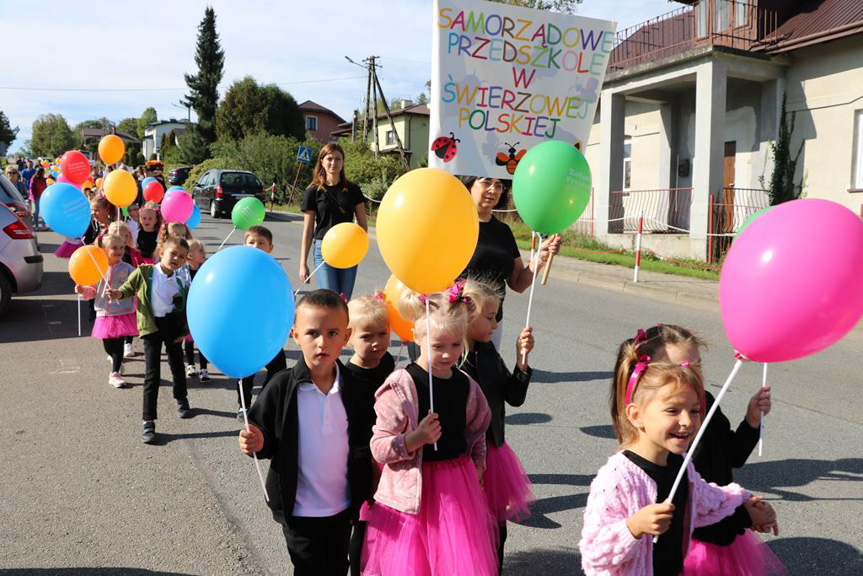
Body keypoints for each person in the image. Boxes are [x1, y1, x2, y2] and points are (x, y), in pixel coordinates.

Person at [579, 345, 775, 576]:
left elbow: (703, 498)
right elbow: (593, 555)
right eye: (672, 410)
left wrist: (745, 501)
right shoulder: (617, 478)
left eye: (694, 411)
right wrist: (633, 527)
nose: (687, 421)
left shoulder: (680, 462)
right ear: (636, 415)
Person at [623, 325, 785, 576]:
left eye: (697, 366)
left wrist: (751, 421)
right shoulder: (664, 437)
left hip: (724, 522)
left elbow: (733, 456)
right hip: (695, 545)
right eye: (683, 368)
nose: (694, 375)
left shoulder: (705, 401)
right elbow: (685, 506)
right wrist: (745, 517)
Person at [361, 288, 497, 576]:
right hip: (413, 496)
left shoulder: (466, 385)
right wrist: (414, 439)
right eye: (438, 346)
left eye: (456, 344)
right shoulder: (401, 386)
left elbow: (478, 429)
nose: (448, 353)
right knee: (415, 564)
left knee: (453, 562)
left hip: (457, 490)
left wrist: (479, 465)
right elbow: (379, 446)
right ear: (417, 336)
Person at [238, 290, 373, 576]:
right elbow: (261, 433)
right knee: (310, 569)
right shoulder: (281, 386)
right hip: (299, 510)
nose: (322, 342)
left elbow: (365, 441)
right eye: (312, 333)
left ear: (346, 336)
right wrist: (257, 440)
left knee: (338, 567)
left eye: (333, 333)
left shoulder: (354, 388)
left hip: (342, 507)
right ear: (295, 335)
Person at [461, 277, 536, 572]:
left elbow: (513, 397)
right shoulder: (454, 361)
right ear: (467, 317)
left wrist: (521, 362)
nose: (495, 325)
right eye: (490, 317)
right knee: (470, 529)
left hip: (493, 452)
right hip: (465, 458)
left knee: (497, 530)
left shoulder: (489, 351)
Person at [108, 236, 193, 444]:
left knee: (177, 365)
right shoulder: (145, 272)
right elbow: (128, 288)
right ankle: (148, 420)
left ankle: (181, 398)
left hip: (172, 326)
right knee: (152, 374)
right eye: (173, 253)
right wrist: (118, 294)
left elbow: (187, 305)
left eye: (181, 257)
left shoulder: (182, 280)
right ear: (162, 252)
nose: (176, 259)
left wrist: (184, 322)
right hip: (151, 326)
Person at [460, 176, 561, 348]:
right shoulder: (453, 224)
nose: (493, 190)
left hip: (492, 324)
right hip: (457, 321)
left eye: (499, 185)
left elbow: (518, 283)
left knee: (488, 373)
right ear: (469, 186)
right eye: (486, 182)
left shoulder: (503, 231)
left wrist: (540, 256)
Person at [343, 293, 395, 576]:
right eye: (367, 336)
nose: (376, 342)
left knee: (385, 519)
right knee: (361, 519)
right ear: (349, 337)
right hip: (359, 458)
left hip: (387, 452)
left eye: (382, 334)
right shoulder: (346, 376)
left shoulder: (387, 363)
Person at [299, 142, 368, 299]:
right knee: (331, 298)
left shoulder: (353, 190)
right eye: (329, 158)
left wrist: (358, 248)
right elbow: (308, 230)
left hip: (348, 249)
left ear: (343, 162)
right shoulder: (312, 192)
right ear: (322, 161)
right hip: (324, 250)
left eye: (338, 159)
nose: (333, 163)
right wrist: (303, 263)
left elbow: (363, 224)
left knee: (344, 300)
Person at [75, 234, 138, 388]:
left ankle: (114, 373)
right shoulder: (98, 268)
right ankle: (116, 362)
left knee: (118, 344)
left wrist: (124, 292)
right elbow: (92, 291)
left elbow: (135, 288)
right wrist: (83, 290)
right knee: (108, 346)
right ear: (104, 250)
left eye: (121, 247)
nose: (119, 250)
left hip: (123, 311)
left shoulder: (129, 268)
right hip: (104, 312)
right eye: (114, 248)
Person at [238, 225, 287, 418]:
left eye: (261, 243)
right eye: (251, 242)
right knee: (245, 368)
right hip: (246, 329)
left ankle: (263, 401)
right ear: (244, 245)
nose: (256, 246)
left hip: (268, 330)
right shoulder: (239, 267)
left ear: (270, 248)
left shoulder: (275, 270)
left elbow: (282, 297)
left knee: (278, 368)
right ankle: (243, 405)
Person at [183, 240, 210, 383]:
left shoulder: (205, 270)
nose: (204, 253)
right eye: (200, 251)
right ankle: (191, 365)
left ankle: (204, 369)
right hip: (188, 309)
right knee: (189, 340)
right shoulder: (183, 271)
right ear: (189, 255)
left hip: (202, 310)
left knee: (201, 341)